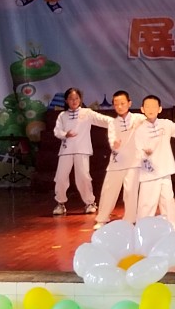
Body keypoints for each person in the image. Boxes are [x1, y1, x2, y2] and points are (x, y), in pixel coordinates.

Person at [52, 88, 113, 216]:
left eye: (76, 98)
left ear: (80, 100)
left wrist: (118, 123)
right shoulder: (62, 115)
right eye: (71, 99)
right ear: (66, 100)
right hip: (66, 150)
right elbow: (57, 131)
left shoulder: (87, 113)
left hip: (82, 150)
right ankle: (60, 203)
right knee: (61, 177)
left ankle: (90, 203)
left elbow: (103, 120)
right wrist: (65, 134)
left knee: (83, 177)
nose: (74, 101)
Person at [134, 95, 175, 232]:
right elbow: (136, 149)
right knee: (147, 203)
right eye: (147, 106)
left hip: (165, 169)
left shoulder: (165, 124)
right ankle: (143, 229)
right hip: (149, 172)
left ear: (159, 109)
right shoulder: (138, 128)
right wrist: (144, 154)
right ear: (142, 109)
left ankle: (172, 227)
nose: (150, 109)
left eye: (154, 106)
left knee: (168, 200)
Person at [93, 90, 144, 229]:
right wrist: (114, 144)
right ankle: (102, 218)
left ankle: (130, 219)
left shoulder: (139, 118)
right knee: (109, 190)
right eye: (116, 104)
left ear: (129, 103)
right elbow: (112, 139)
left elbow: (150, 123)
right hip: (117, 161)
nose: (120, 107)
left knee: (131, 191)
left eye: (122, 103)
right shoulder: (113, 123)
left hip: (133, 162)